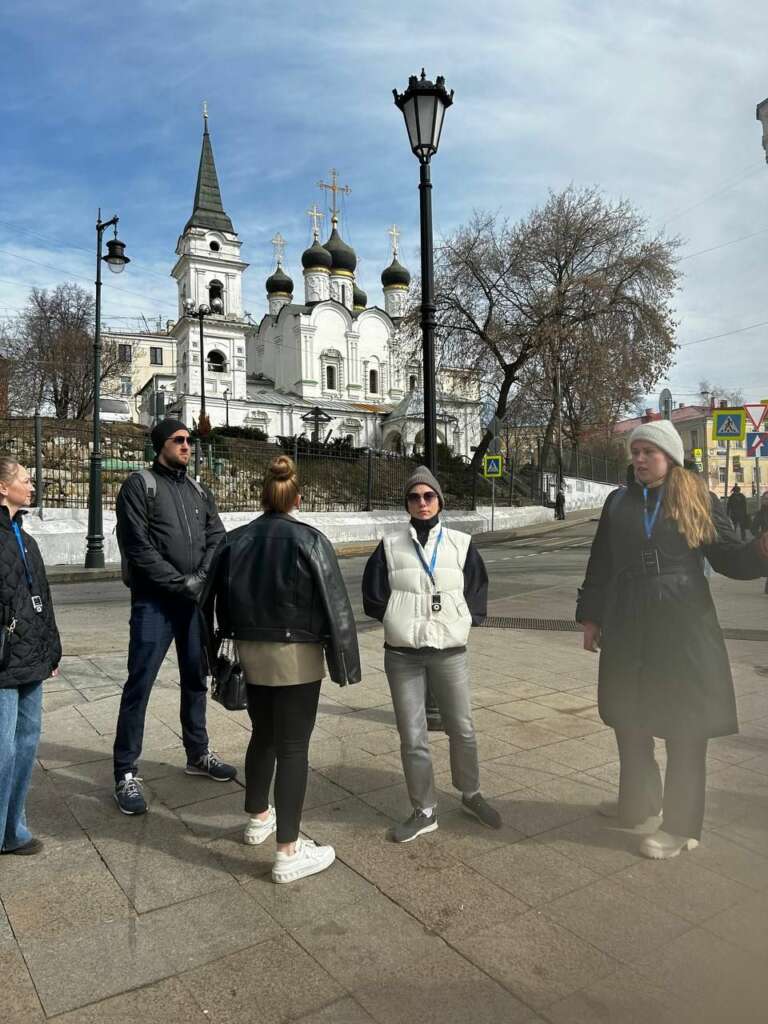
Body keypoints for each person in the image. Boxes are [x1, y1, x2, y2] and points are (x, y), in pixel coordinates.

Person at [577, 420, 768, 860]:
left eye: (649, 451)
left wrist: (759, 552)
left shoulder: (695, 495)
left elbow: (729, 556)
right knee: (629, 714)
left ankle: (681, 825)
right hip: (627, 616)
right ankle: (638, 804)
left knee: (685, 724)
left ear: (670, 455)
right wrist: (590, 617)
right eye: (636, 451)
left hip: (682, 621)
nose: (640, 458)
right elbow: (600, 562)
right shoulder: (618, 502)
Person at [208, 455, 360, 883]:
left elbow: (207, 601)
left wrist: (211, 656)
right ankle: (288, 852)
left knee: (264, 734)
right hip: (297, 654)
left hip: (249, 654)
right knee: (294, 746)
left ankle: (258, 817)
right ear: (297, 497)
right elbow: (336, 607)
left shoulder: (235, 540)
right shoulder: (310, 539)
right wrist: (344, 663)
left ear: (264, 494)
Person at [362, 466, 501, 842]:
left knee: (463, 727)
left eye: (428, 496)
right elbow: (373, 594)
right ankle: (424, 810)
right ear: (407, 503)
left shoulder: (460, 543)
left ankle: (470, 792)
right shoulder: (390, 545)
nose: (422, 503)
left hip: (449, 651)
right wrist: (395, 616)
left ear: (439, 500)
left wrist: (464, 620)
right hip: (403, 655)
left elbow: (477, 586)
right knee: (413, 734)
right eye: (414, 497)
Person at [112, 418, 235, 815]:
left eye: (189, 441)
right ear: (160, 444)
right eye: (179, 440)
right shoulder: (139, 486)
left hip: (194, 604)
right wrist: (183, 583)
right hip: (154, 604)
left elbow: (218, 538)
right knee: (140, 684)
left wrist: (200, 580)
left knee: (196, 679)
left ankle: (197, 753)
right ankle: (126, 771)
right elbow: (138, 547)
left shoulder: (198, 490)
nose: (187, 446)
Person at [0, 457, 61, 855]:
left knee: (25, 745)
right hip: (3, 662)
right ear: (3, 487)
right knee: (3, 750)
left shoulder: (27, 537)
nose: (32, 484)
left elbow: (43, 599)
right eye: (25, 480)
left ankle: (13, 831)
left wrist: (52, 649)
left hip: (32, 659)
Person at [752, 492, 768, 594]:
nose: (767, 501)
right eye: (766, 499)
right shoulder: (760, 513)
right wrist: (761, 536)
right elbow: (753, 528)